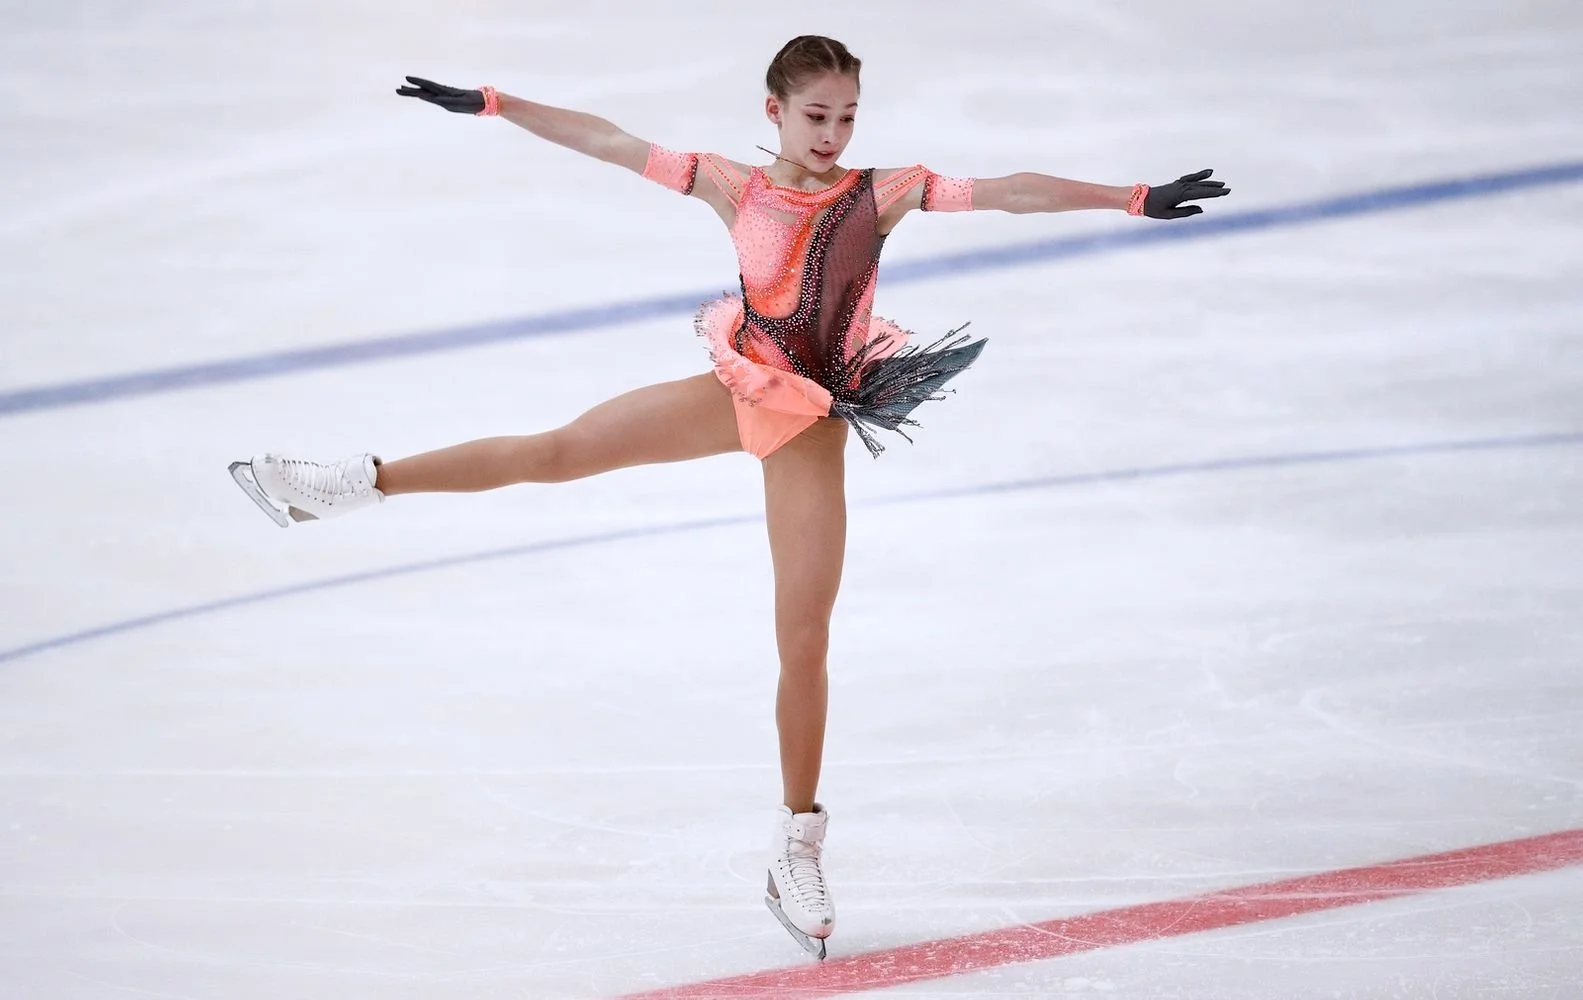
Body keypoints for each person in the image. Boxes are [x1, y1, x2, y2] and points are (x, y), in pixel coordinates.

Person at [228, 35, 1229, 959]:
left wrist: (1130, 196)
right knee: (556, 450)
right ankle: (347, 485)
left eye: (846, 116)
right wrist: (496, 102)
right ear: (774, 110)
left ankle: (797, 844)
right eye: (816, 115)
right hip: (736, 390)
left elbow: (1009, 191)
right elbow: (607, 141)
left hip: (810, 422)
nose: (833, 134)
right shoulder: (730, 184)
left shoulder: (884, 192)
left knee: (804, 635)